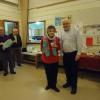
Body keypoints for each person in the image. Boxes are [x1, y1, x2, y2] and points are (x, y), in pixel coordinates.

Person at [59, 19, 83, 94]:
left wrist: (79, 53)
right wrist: (61, 53)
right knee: (67, 70)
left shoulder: (76, 31)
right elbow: (61, 43)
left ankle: (74, 86)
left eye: (67, 23)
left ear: (70, 24)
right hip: (65, 54)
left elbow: (80, 42)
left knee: (73, 71)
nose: (65, 25)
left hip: (73, 54)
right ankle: (68, 83)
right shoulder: (62, 32)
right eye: (64, 24)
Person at [40, 25, 61, 92]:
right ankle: (49, 85)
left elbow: (60, 48)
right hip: (46, 60)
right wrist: (46, 49)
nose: (51, 32)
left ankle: (54, 86)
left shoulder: (57, 39)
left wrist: (56, 46)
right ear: (47, 32)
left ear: (54, 31)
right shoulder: (43, 38)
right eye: (50, 31)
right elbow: (41, 49)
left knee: (54, 73)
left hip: (55, 60)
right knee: (48, 73)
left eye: (53, 31)